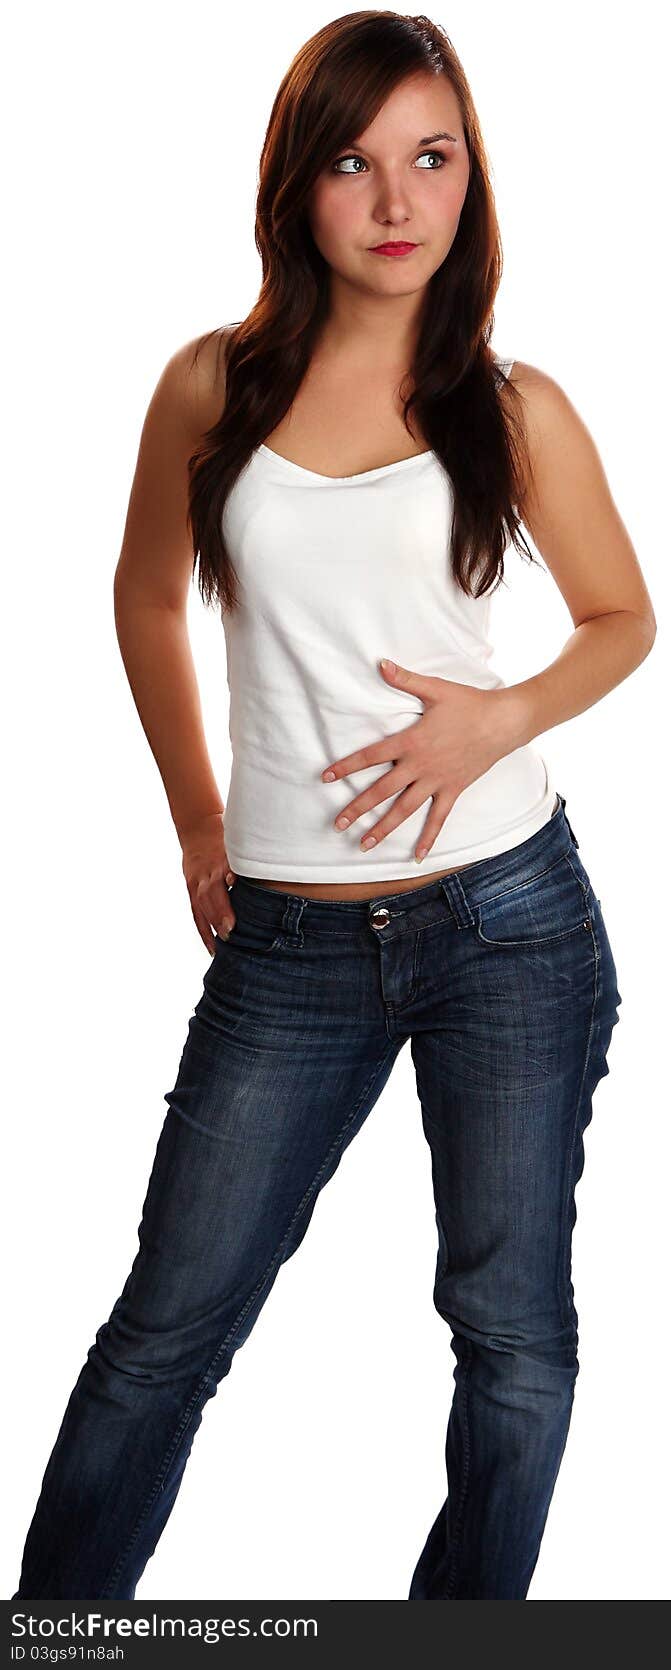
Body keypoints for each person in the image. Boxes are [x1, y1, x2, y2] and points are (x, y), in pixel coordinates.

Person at [12, 12, 654, 1602]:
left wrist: (497, 717)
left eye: (431, 159)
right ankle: (64, 1633)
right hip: (288, 939)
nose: (395, 200)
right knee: (165, 1332)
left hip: (511, 916)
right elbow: (146, 599)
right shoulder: (210, 387)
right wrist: (196, 817)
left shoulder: (515, 408)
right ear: (299, 185)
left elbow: (623, 616)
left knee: (512, 1334)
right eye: (356, 161)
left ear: (468, 185)